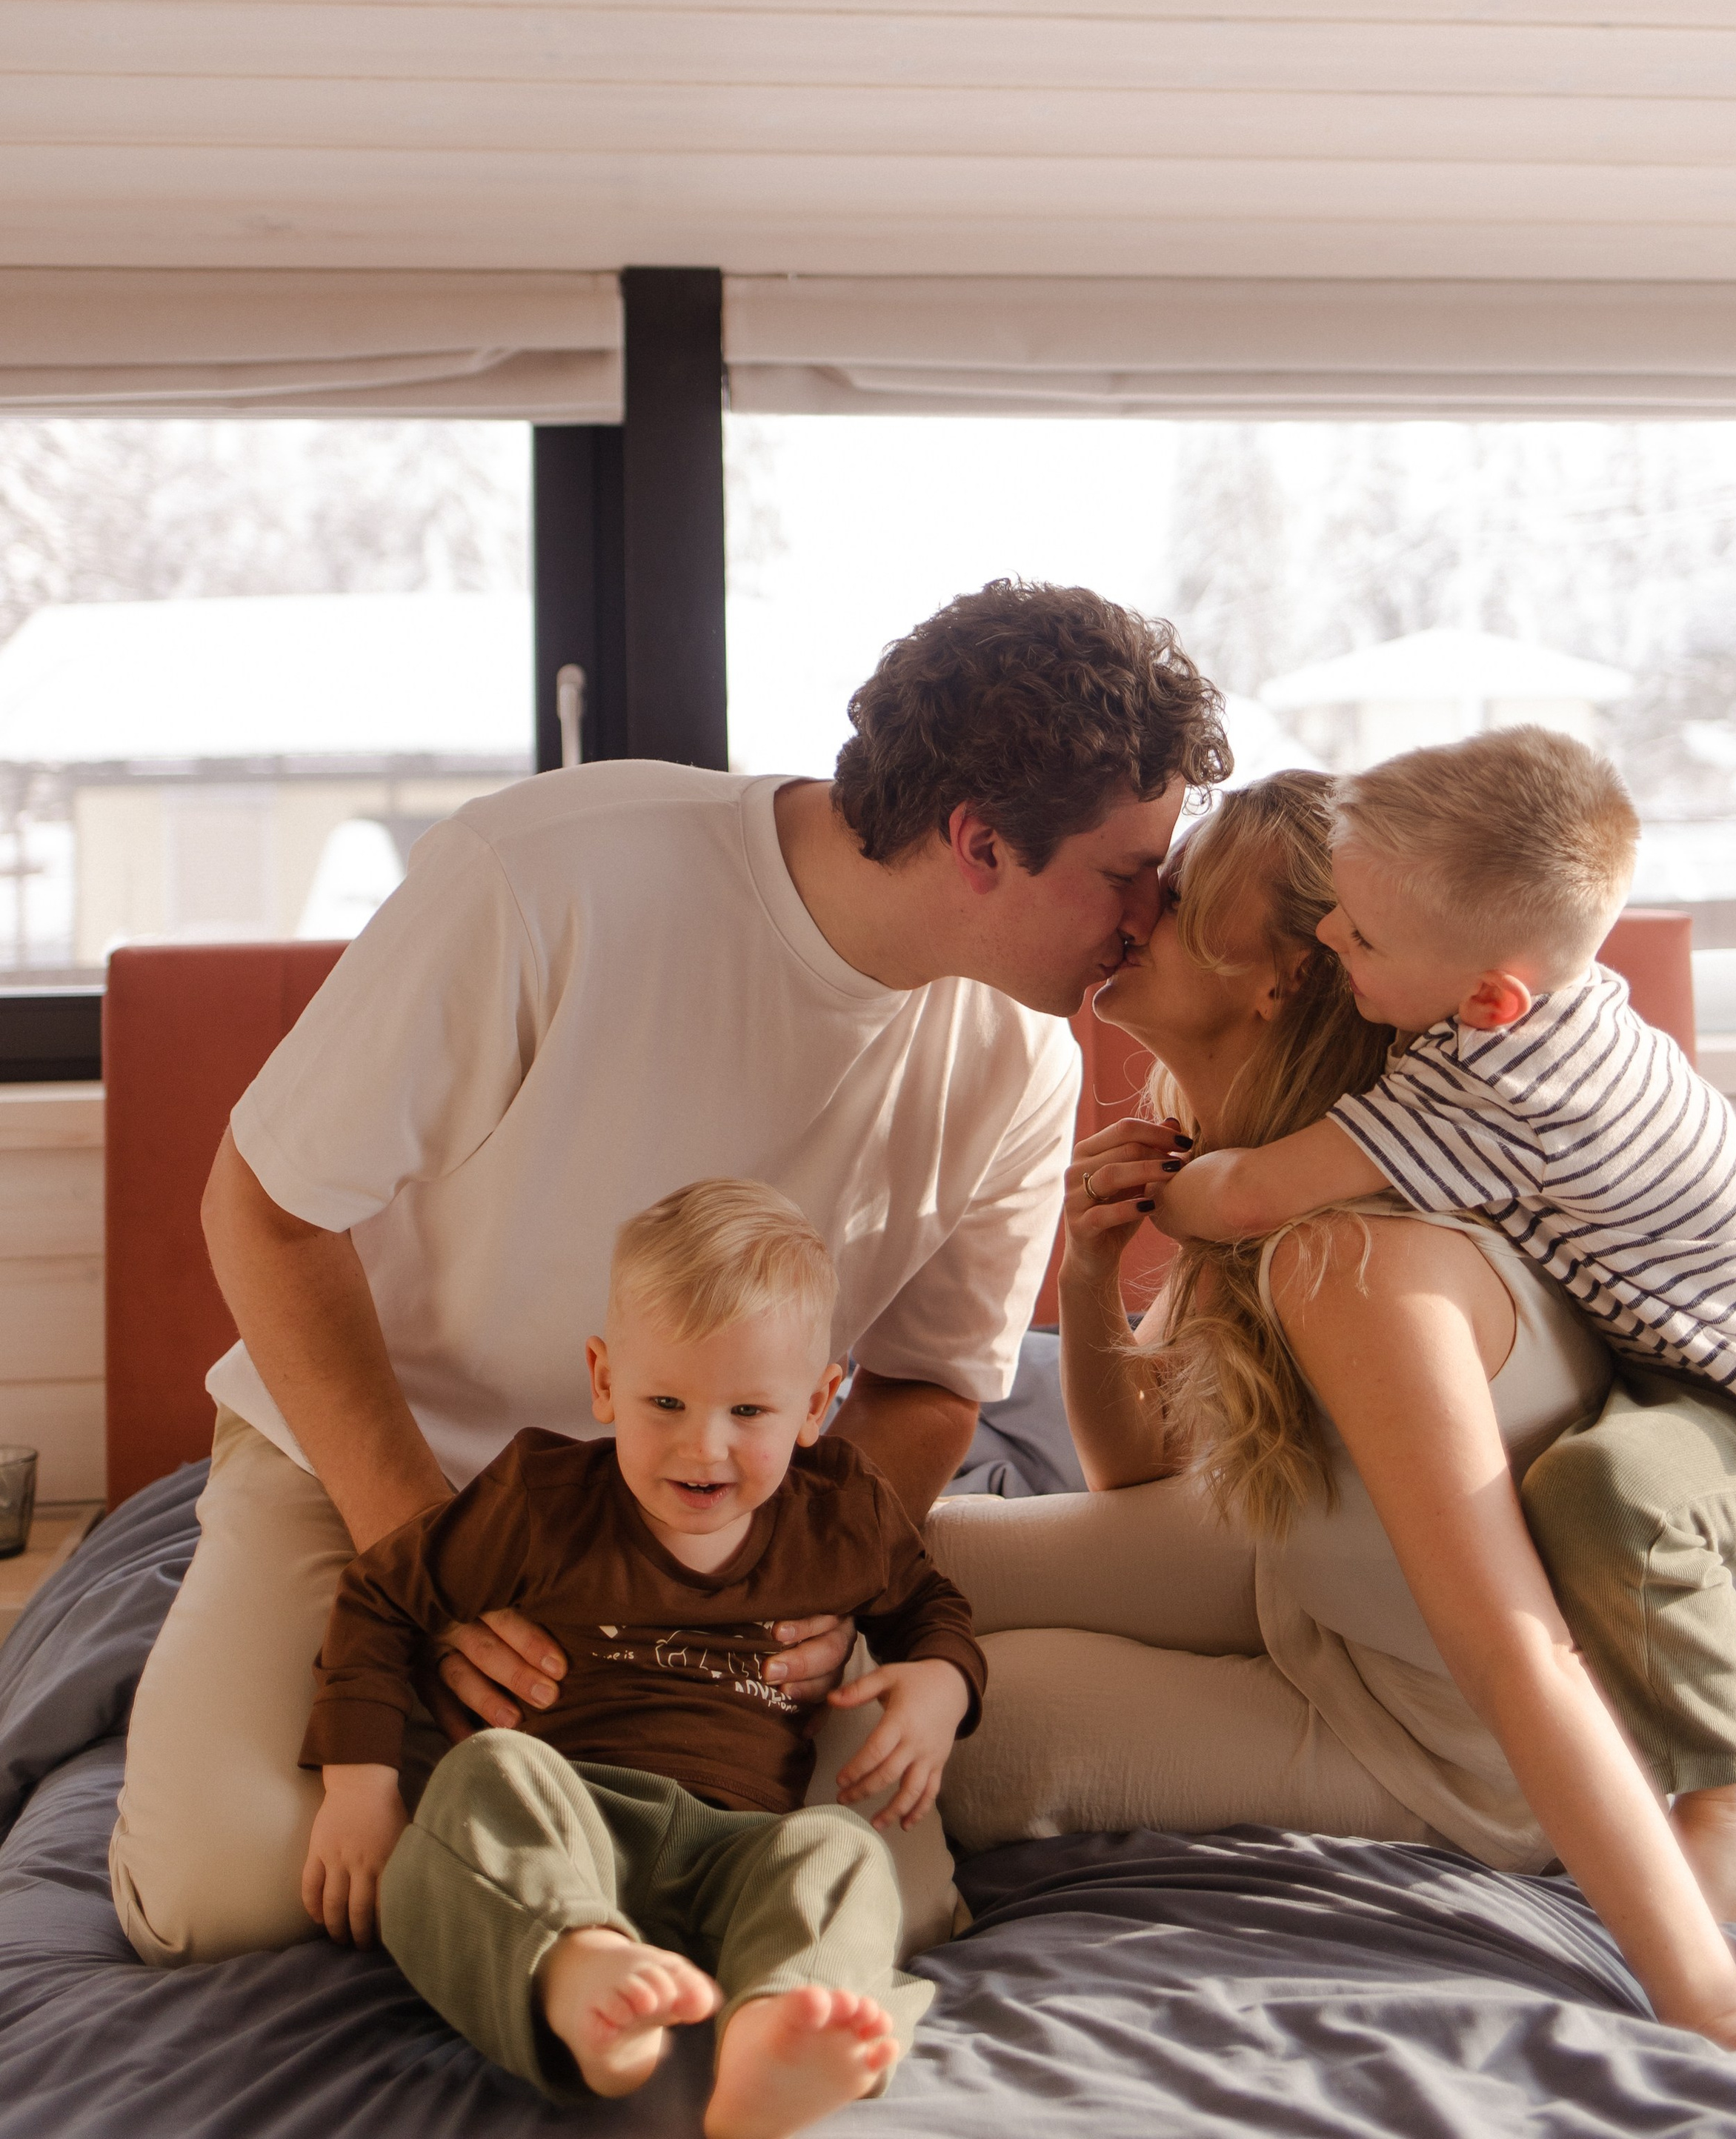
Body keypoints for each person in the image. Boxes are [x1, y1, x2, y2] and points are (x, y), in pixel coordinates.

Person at [110, 581, 1230, 1966]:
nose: (1153, 913)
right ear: (980, 842)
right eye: (1129, 871)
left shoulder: (1022, 1060)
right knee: (229, 1901)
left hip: (728, 1510)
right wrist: (436, 1565)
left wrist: (802, 1585)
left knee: (892, 1899)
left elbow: (933, 1385)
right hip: (397, 1467)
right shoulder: (543, 877)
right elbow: (265, 1212)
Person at [929, 773, 1736, 2063]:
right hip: (1306, 1577)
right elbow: (1141, 1480)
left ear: (1280, 977)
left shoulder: (1358, 1263)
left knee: (927, 1706)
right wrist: (1094, 1271)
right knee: (894, 1553)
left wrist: (1715, 2005)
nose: (1136, 913)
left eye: (1180, 897)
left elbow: (1517, 1655)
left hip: (1440, 1742)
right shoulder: (1269, 1165)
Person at [1141, 728, 1736, 1922]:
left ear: (1490, 1001)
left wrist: (1155, 1187)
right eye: (1334, 910)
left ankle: (1724, 1785)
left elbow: (1240, 1199)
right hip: (1735, 1360)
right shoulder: (1554, 1003)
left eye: (1363, 933)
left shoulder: (1489, 1090)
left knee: (1608, 1496)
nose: (1331, 942)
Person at [302, 1180, 983, 2136]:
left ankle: (776, 2033)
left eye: (751, 1410)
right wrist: (359, 1786)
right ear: (604, 1379)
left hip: (740, 1848)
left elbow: (932, 1609)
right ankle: (580, 1971)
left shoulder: (842, 1515)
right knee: (480, 1782)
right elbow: (381, 1595)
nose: (704, 1446)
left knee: (841, 1855)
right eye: (666, 1401)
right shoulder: (542, 1500)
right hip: (571, 1816)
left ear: (819, 1403)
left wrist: (940, 1687)